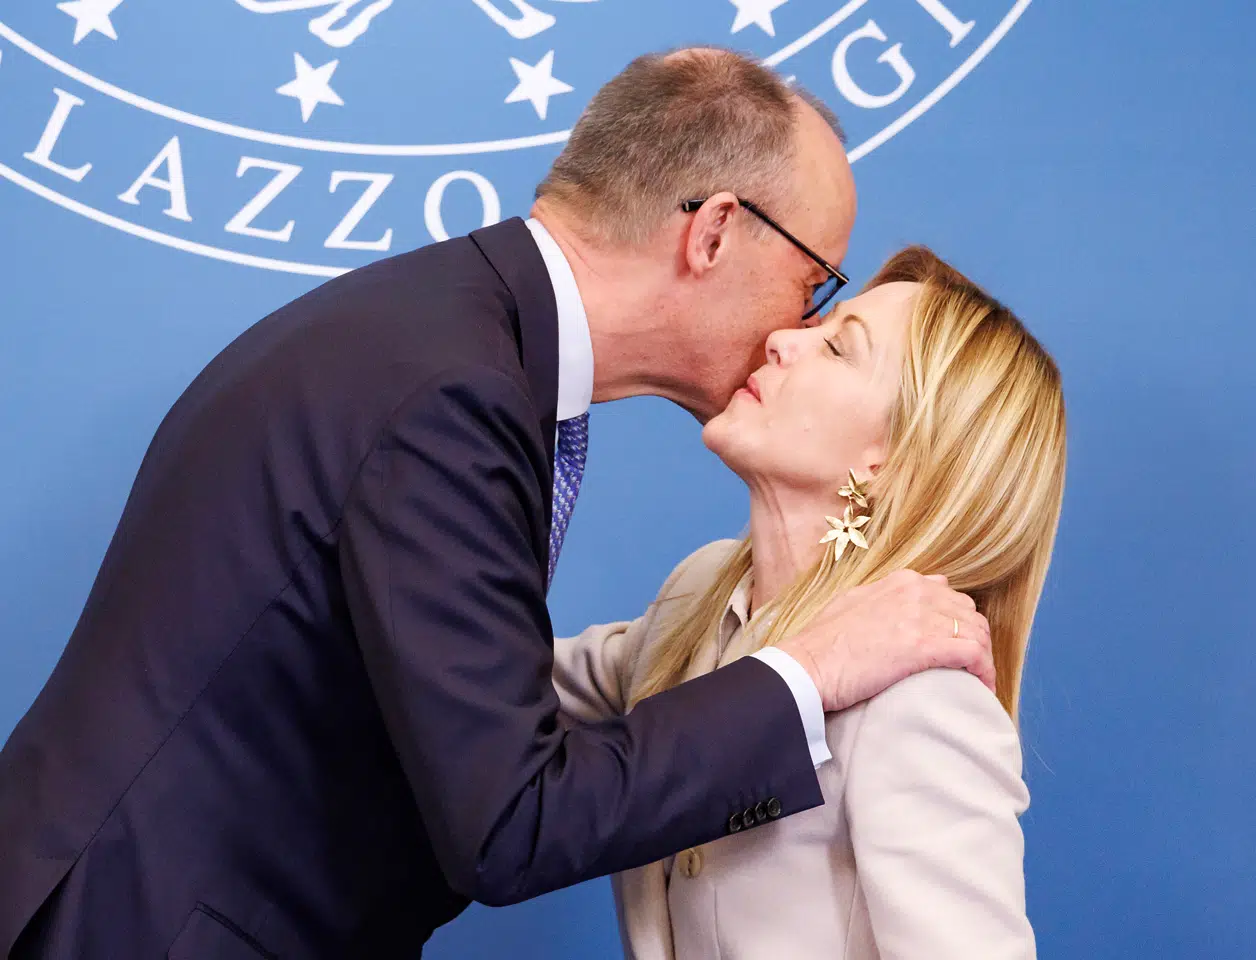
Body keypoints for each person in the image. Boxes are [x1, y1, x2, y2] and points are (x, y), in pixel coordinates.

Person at [0, 50, 996, 957]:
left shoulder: (441, 335)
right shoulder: (453, 393)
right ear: (715, 232)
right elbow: (512, 819)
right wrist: (810, 671)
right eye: (813, 286)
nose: (794, 330)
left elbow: (476, 687)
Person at [553, 246, 1066, 959]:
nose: (781, 339)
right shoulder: (699, 592)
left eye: (837, 348)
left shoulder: (921, 700)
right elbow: (496, 698)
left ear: (891, 463)